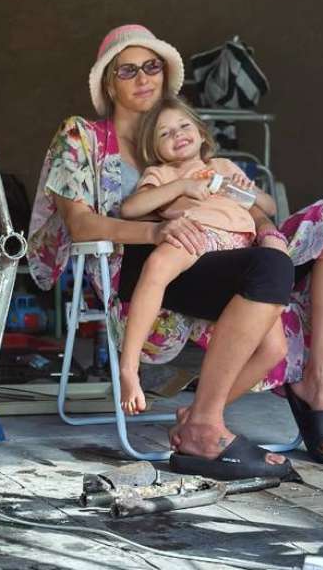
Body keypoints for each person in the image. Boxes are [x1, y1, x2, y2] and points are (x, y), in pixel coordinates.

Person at [28, 24, 323, 478]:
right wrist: (153, 233)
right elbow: (82, 223)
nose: (143, 77)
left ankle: (316, 383)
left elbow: (237, 203)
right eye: (127, 70)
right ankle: (205, 426)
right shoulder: (85, 136)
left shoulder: (186, 144)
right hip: (148, 264)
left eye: (152, 66)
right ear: (108, 83)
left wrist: (267, 229)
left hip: (223, 247)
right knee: (268, 270)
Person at [118, 95, 283, 416]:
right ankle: (128, 366)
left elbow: (269, 207)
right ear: (154, 149)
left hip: (239, 246)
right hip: (196, 234)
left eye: (183, 126)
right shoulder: (161, 174)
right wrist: (181, 186)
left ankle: (200, 414)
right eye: (164, 134)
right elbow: (131, 208)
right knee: (157, 264)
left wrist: (245, 190)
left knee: (274, 349)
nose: (176, 135)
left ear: (202, 134)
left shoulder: (222, 166)